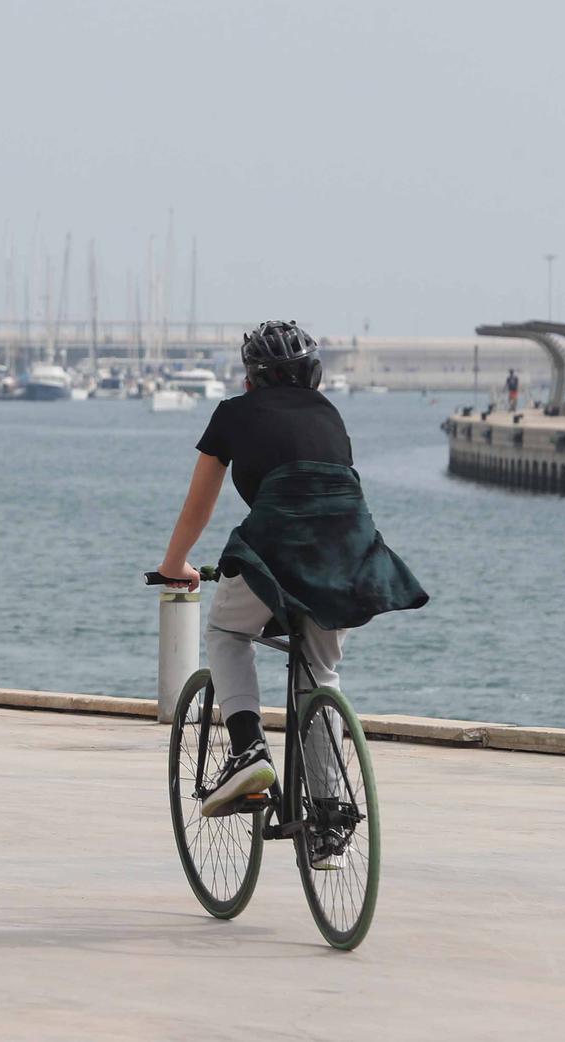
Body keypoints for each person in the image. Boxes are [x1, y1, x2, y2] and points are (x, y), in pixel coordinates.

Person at [155, 321, 426, 849]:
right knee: (320, 672)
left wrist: (175, 564)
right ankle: (329, 822)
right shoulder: (330, 414)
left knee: (228, 634)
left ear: (251, 378)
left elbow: (200, 503)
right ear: (314, 374)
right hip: (348, 549)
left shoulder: (233, 414)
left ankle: (249, 751)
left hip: (275, 545)